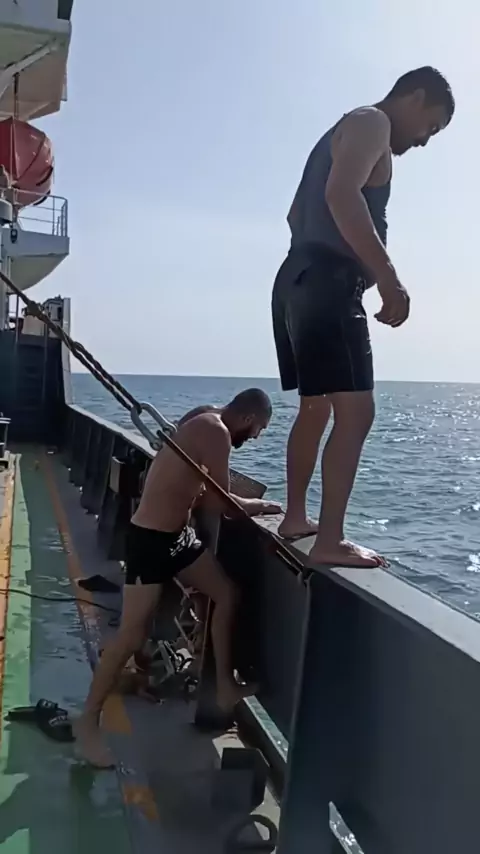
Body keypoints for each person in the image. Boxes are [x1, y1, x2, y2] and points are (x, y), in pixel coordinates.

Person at [272, 66, 454, 568]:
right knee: (357, 413)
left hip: (296, 279)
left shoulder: (343, 129)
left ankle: (295, 518)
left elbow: (296, 214)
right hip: (328, 285)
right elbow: (341, 194)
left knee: (316, 407)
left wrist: (316, 264)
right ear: (415, 97)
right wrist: (387, 278)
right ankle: (330, 540)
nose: (425, 140)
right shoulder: (373, 122)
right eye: (430, 126)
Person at [74, 387, 281, 767]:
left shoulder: (203, 413)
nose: (255, 438)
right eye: (259, 430)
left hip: (178, 537)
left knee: (226, 594)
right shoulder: (217, 431)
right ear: (249, 419)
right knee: (131, 635)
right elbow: (221, 503)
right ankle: (87, 722)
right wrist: (259, 505)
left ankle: (224, 687)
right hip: (151, 541)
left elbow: (196, 486)